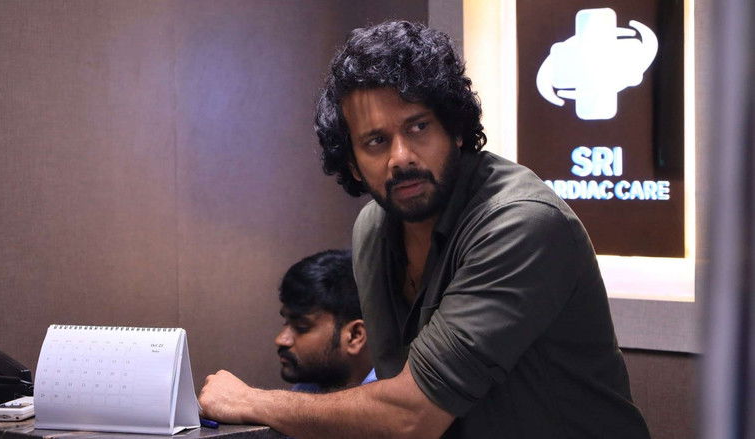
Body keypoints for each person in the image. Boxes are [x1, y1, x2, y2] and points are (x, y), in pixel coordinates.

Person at [199, 20, 651, 438]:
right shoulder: (374, 228)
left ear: (456, 130)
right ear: (353, 164)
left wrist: (251, 402)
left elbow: (411, 416)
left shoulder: (521, 221)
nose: (401, 157)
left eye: (418, 127)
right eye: (376, 141)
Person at [275, 250, 375, 393]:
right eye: (286, 322)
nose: (280, 340)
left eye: (301, 327)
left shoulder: (398, 399)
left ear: (355, 336)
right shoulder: (310, 386)